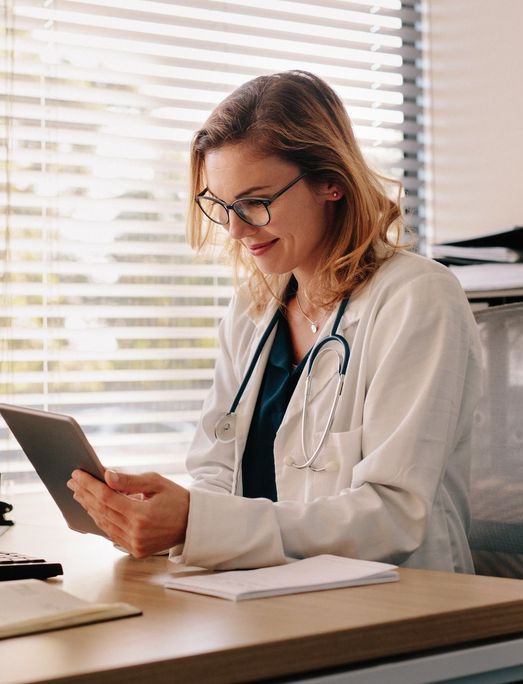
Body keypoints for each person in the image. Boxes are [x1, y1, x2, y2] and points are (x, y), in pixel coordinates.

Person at [67, 70, 483, 573]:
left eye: (255, 202)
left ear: (331, 182)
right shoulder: (253, 309)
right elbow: (215, 474)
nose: (236, 228)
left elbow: (392, 517)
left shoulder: (416, 298)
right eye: (220, 205)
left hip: (395, 602)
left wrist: (199, 524)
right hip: (263, 594)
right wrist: (163, 519)